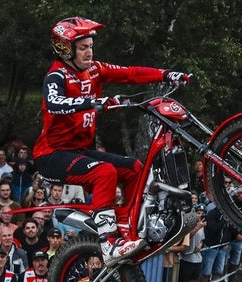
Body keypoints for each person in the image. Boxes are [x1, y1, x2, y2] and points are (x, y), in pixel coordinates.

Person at [33, 16, 190, 266]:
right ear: (66, 49)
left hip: (79, 151)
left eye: (90, 46)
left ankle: (130, 227)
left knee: (133, 168)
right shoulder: (56, 76)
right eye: (83, 47)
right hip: (51, 155)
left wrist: (166, 75)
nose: (89, 52)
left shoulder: (94, 69)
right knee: (104, 172)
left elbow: (130, 73)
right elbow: (55, 103)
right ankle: (108, 242)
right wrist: (95, 102)